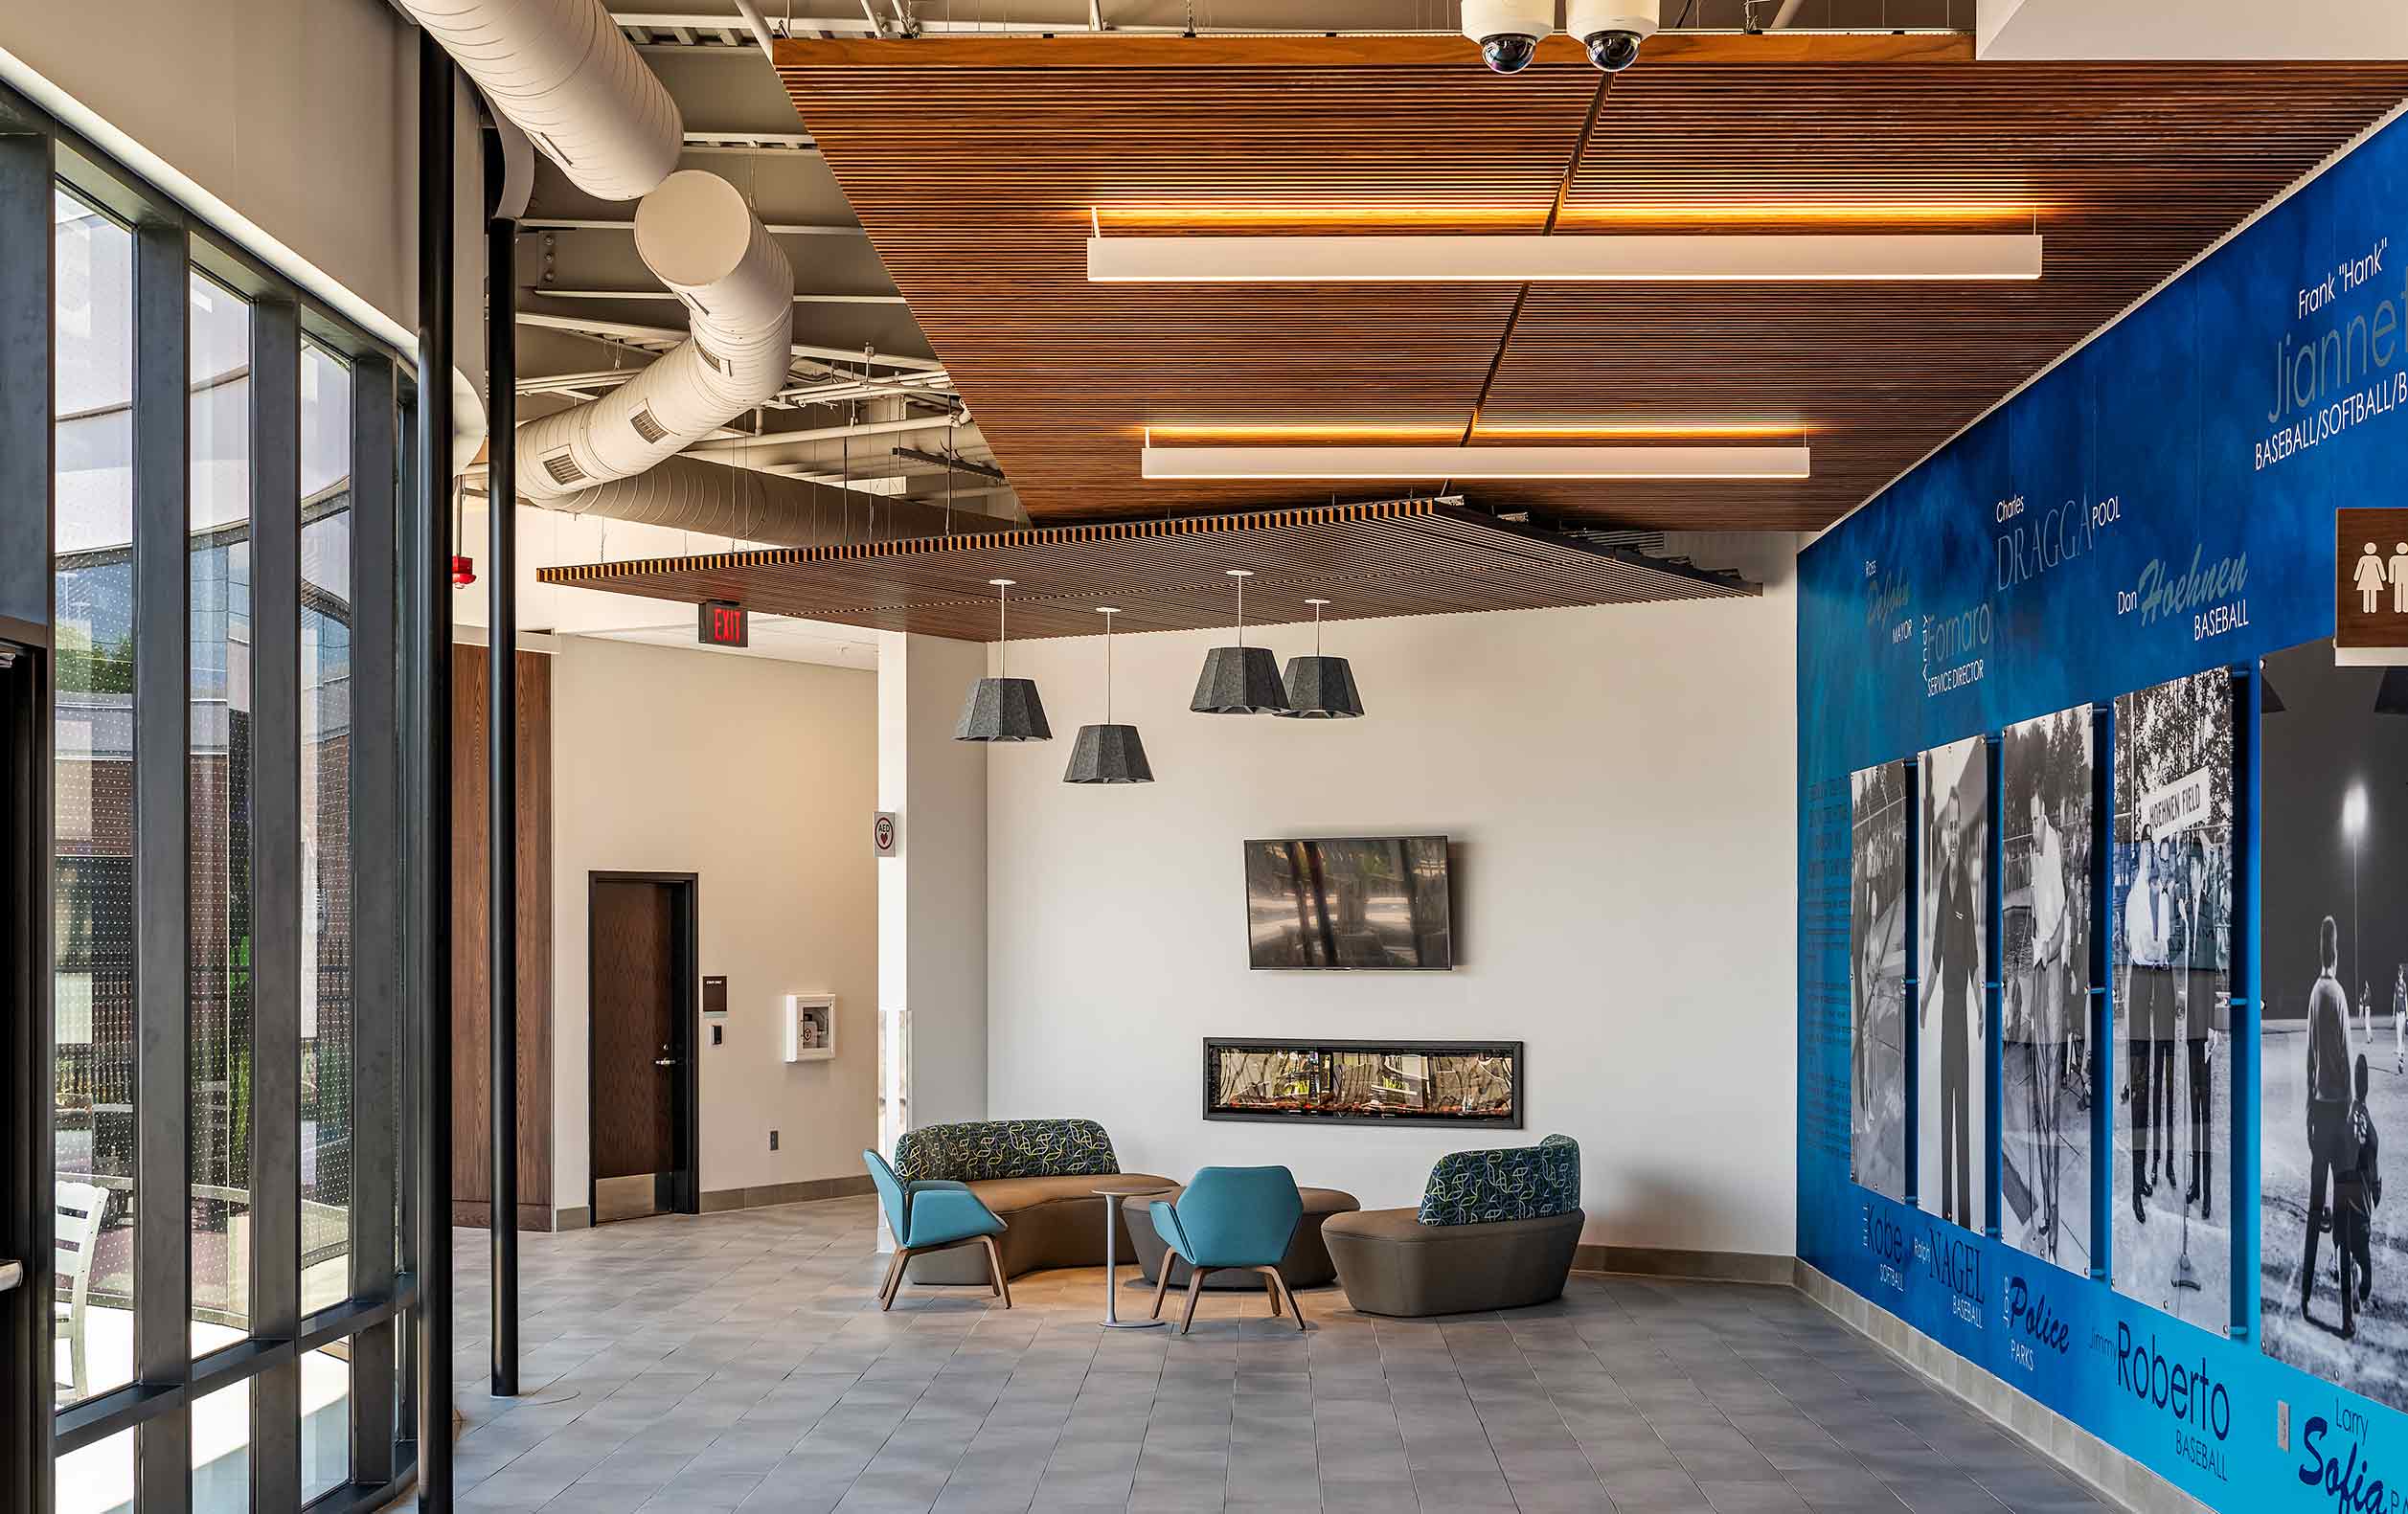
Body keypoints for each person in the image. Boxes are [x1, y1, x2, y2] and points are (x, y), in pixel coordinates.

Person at [1926, 785, 1981, 1229]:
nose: (1952, 835)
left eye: (1957, 826)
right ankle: (1946, 1207)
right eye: (1948, 826)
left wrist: (1981, 1008)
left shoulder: (1964, 887)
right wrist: (1924, 1001)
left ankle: (1963, 1213)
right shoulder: (1943, 887)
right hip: (1946, 1009)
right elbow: (1936, 957)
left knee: (1963, 1109)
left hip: (1962, 1010)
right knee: (1946, 1106)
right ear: (1944, 834)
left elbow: (1974, 957)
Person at [2306, 915, 2357, 1335]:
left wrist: (2309, 1106)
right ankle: (2344, 1316)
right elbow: (2346, 1058)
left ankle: (2304, 1294)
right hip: (2339, 1112)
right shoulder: (2338, 994)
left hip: (2318, 1112)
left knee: (2313, 1205)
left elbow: (2310, 1057)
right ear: (2336, 953)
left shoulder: (2313, 994)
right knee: (2340, 1210)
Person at [2026, 785, 2069, 1254]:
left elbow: (2059, 931)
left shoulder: (2054, 859)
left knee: (2050, 1107)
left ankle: (2055, 1216)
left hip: (2052, 993)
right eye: (2029, 820)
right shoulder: (2038, 862)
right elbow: (2032, 898)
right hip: (2040, 993)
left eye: (2037, 820)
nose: (2031, 829)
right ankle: (2044, 1207)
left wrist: (2044, 950)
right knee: (2037, 1109)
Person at [2124, 828, 2169, 1223]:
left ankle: (2148, 1170)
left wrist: (2154, 947)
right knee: (2139, 1086)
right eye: (2142, 848)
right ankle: (2136, 1183)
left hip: (2156, 981)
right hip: (2140, 981)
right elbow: (2135, 943)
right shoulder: (2135, 897)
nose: (2146, 856)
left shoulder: (2160, 896)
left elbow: (2163, 945)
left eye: (2150, 850)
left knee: (2154, 1083)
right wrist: (2150, 948)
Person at [2183, 835, 2223, 1222]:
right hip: (2190, 1027)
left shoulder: (2208, 913)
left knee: (2206, 1113)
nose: (2193, 874)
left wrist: (2212, 1029)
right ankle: (2194, 1181)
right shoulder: (2189, 914)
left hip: (2204, 1029)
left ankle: (2207, 1191)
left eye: (2198, 867)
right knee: (2192, 1112)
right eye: (2190, 867)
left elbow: (2211, 975)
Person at [2341, 1052, 2384, 1324]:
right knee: (2363, 1247)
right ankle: (2362, 1277)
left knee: (2344, 1242)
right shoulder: (2371, 1129)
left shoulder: (2345, 1120)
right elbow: (2373, 1159)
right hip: (2363, 1194)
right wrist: (2376, 1188)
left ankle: (2345, 1266)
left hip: (2345, 1189)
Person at [2358, 541, 2388, 616]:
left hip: (2366, 579)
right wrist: (2383, 577)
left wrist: (2357, 577)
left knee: (2367, 593)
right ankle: (2371, 608)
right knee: (2370, 593)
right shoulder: (2375, 558)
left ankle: (2367, 608)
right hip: (2373, 578)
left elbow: (2359, 569)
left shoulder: (2364, 558)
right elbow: (2380, 568)